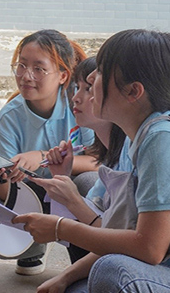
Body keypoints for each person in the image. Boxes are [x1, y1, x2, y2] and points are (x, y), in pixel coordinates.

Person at [15, 29, 170, 292]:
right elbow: (124, 237)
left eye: (101, 72)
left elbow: (148, 248)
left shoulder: (163, 138)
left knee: (111, 271)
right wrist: (65, 276)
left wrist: (61, 229)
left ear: (133, 92)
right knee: (78, 284)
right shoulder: (141, 135)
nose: (92, 77)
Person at [0, 29, 97, 276]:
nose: (26, 76)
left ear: (63, 75)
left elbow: (98, 160)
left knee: (90, 183)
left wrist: (42, 157)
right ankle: (33, 249)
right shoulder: (10, 117)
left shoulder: (78, 102)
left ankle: (86, 264)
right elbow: (9, 194)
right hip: (32, 194)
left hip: (71, 188)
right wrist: (2, 176)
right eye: (21, 66)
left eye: (39, 68)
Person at [31, 57, 127, 264]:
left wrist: (72, 202)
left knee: (82, 197)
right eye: (77, 87)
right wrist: (62, 178)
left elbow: (128, 244)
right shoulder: (111, 154)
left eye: (89, 88)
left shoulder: (132, 156)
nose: (75, 97)